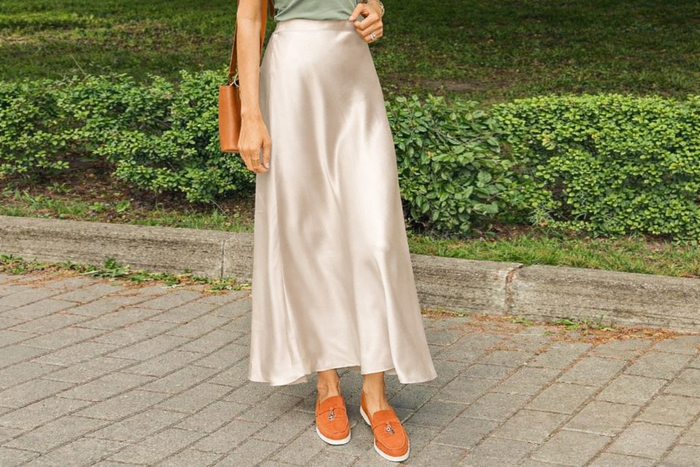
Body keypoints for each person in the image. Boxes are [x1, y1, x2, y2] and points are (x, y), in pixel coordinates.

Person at [235, 0, 437, 462]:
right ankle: (327, 384)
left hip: (353, 77)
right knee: (309, 234)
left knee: (377, 237)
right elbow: (249, 17)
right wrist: (251, 114)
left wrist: (376, 9)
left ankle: (375, 393)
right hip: (290, 77)